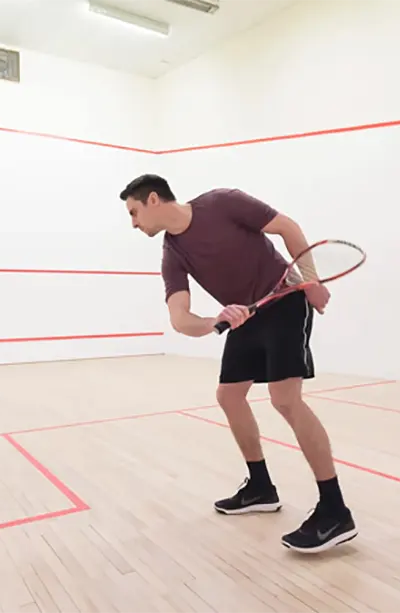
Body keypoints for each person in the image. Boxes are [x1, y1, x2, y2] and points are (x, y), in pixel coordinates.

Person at [119, 173, 358, 553]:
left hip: (284, 304)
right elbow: (180, 319)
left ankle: (335, 510)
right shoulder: (173, 253)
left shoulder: (221, 202)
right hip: (246, 315)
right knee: (229, 396)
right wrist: (216, 321)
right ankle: (261, 487)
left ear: (152, 200)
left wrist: (310, 282)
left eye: (133, 213)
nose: (133, 223)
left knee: (285, 399)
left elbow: (286, 227)